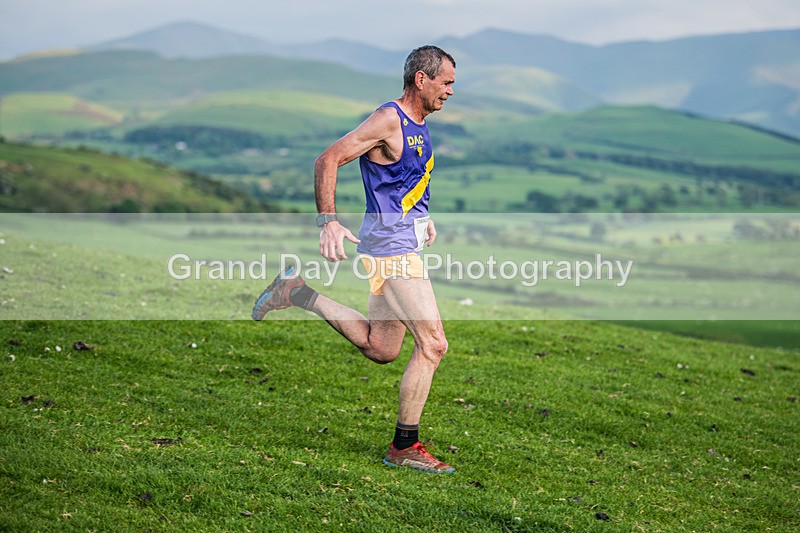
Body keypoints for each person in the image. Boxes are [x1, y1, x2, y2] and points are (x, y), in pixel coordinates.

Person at [252, 45, 456, 474]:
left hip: (404, 240)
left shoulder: (418, 123)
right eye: (446, 82)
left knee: (381, 348)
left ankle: (295, 292)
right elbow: (328, 159)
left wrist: (423, 217)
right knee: (433, 344)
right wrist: (327, 221)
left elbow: (402, 180)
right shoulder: (389, 119)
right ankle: (405, 446)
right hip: (392, 250)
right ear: (422, 79)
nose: (451, 91)